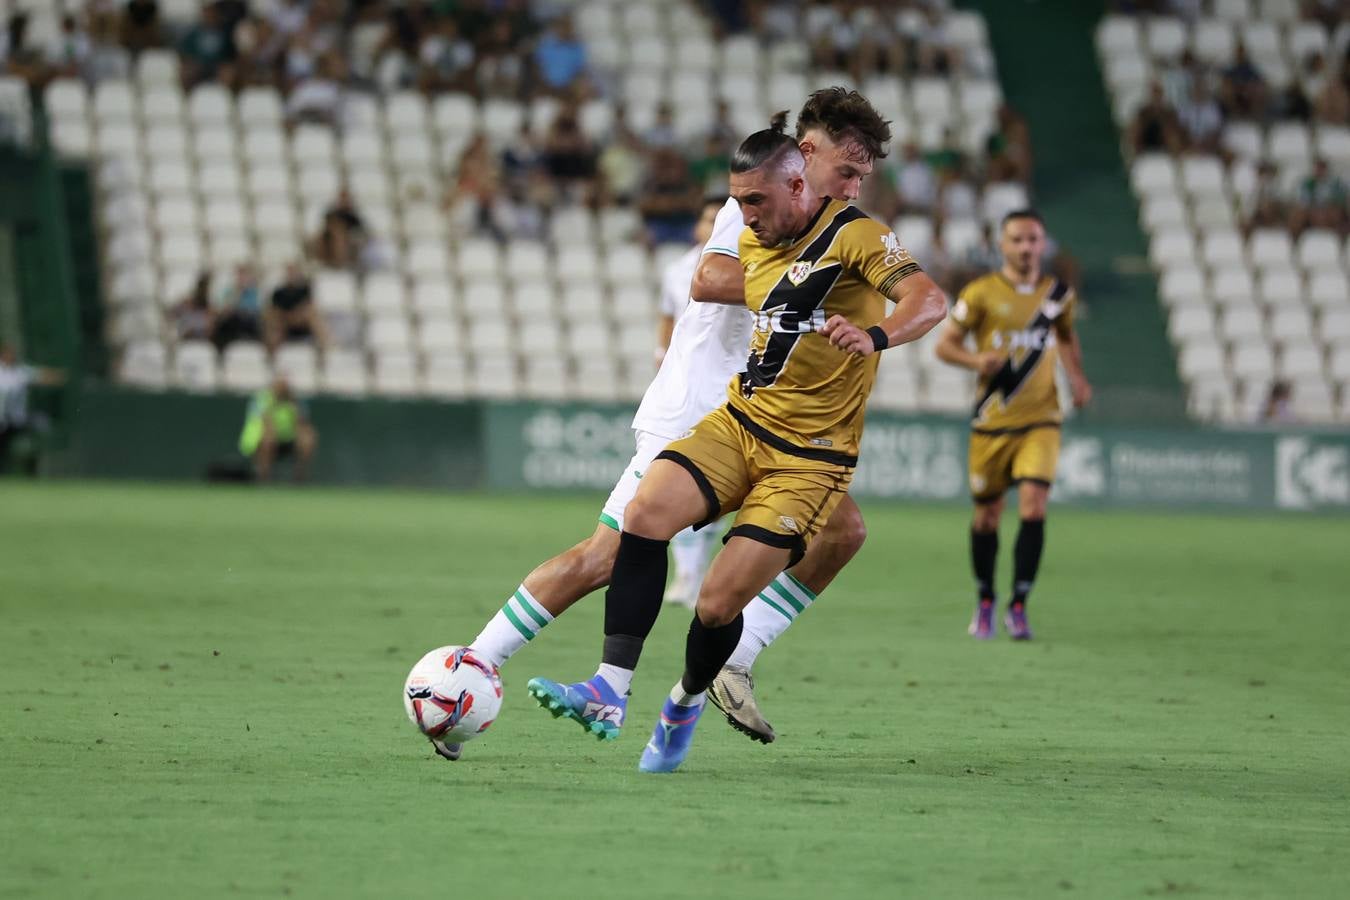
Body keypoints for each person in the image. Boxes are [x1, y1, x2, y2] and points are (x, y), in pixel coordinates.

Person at [443, 89, 898, 764]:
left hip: (775, 424)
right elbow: (707, 277)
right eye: (849, 169)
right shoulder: (760, 204)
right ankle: (472, 667)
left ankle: (732, 657)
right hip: (701, 409)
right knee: (608, 554)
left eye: (864, 175)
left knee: (845, 532)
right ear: (804, 156)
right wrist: (809, 279)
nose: (857, 185)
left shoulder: (844, 228)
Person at [526, 123, 947, 774]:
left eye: (754, 203)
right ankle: (608, 689)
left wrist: (877, 334)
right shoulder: (759, 232)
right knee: (642, 517)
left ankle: (686, 700)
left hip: (808, 457)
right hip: (740, 422)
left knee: (718, 603)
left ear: (799, 181)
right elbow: (709, 274)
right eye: (738, 203)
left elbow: (929, 298)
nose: (743, 217)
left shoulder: (859, 234)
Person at [934, 209, 1092, 642]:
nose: (1026, 248)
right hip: (991, 422)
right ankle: (986, 598)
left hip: (1042, 419)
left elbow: (1065, 335)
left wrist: (1077, 377)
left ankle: (1019, 605)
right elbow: (944, 347)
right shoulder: (981, 293)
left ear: (1044, 246)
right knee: (986, 517)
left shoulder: (1058, 295)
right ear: (1003, 246)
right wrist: (975, 360)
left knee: (1034, 505)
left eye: (1033, 240)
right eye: (1018, 240)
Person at [656, 197, 725, 610]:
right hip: (686, 391)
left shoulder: (751, 265)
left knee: (716, 492)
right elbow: (667, 316)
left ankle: (698, 570)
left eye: (720, 219)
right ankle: (686, 573)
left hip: (729, 388)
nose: (712, 225)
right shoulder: (678, 270)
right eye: (706, 218)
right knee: (679, 480)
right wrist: (660, 358)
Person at [238, 375, 317, 482]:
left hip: (286, 440)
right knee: (268, 440)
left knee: (308, 438)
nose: (283, 390)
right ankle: (263, 478)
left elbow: (302, 424)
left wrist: (294, 407)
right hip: (260, 440)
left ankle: (300, 478)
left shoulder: (294, 401)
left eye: (286, 387)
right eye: (280, 386)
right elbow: (266, 423)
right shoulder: (263, 399)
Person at [0, 344, 63, 475]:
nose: (11, 357)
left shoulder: (21, 372)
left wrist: (61, 376)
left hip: (17, 420)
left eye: (12, 354)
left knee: (42, 423)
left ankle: (32, 469)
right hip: (2, 419)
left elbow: (42, 375)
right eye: (7, 354)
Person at [265, 262, 329, 351]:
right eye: (289, 272)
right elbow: (275, 309)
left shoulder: (304, 290)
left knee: (313, 314)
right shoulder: (279, 292)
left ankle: (324, 348)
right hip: (284, 322)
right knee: (273, 318)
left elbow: (308, 305)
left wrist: (296, 315)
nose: (291, 275)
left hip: (301, 321)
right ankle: (271, 353)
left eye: (293, 272)